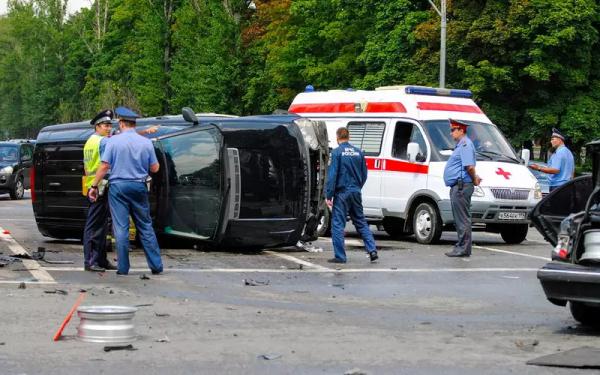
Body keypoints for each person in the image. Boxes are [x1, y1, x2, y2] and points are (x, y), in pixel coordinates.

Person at [88, 106, 163, 275]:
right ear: (134, 124)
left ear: (121, 123)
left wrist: (94, 186)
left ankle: (123, 268)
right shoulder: (146, 143)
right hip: (139, 186)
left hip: (118, 188)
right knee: (145, 226)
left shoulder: (113, 142)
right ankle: (156, 266)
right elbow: (156, 168)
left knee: (120, 227)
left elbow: (105, 165)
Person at [326, 127, 378, 263]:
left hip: (342, 193)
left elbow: (332, 175)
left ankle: (340, 256)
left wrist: (329, 194)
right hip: (355, 191)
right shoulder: (358, 152)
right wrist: (357, 187)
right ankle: (372, 250)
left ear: (338, 138)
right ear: (348, 137)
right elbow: (364, 174)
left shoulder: (337, 153)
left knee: (337, 224)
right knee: (360, 221)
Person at [82, 109, 117, 272]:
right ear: (97, 126)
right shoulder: (102, 142)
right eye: (105, 125)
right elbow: (104, 165)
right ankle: (90, 261)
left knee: (101, 226)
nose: (108, 128)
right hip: (98, 187)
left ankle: (101, 260)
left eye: (110, 125)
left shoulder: (90, 141)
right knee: (94, 226)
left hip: (93, 186)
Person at [443, 119, 481, 258]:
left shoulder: (465, 144)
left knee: (462, 219)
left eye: (453, 130)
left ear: (461, 130)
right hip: (459, 186)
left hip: (461, 187)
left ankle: (463, 248)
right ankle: (462, 246)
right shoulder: (461, 145)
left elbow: (469, 166)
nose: (451, 133)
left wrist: (474, 178)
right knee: (461, 219)